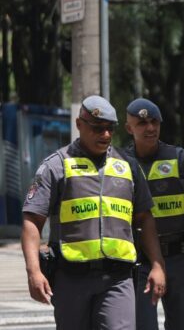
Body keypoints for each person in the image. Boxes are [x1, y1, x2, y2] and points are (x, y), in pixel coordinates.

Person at [21, 95, 166, 330]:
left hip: (118, 279)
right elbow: (32, 220)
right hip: (71, 278)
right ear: (79, 125)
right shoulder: (56, 165)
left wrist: (158, 265)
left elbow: (144, 218)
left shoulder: (127, 166)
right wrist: (33, 271)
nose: (106, 135)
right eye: (98, 128)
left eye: (110, 129)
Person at [125, 98, 184, 330]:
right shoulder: (121, 163)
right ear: (129, 128)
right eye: (142, 122)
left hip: (179, 260)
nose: (150, 128)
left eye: (154, 121)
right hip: (140, 263)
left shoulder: (180, 159)